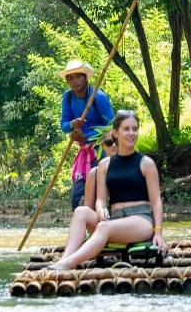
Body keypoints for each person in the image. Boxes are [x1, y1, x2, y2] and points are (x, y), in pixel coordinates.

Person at [49, 110, 163, 270]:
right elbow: (101, 200)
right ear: (115, 133)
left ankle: (68, 263)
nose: (131, 133)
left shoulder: (146, 163)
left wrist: (158, 232)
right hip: (114, 220)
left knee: (104, 227)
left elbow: (156, 201)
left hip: (141, 221)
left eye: (134, 129)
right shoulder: (104, 165)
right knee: (81, 211)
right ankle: (66, 257)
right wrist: (101, 210)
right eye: (126, 129)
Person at [60, 59, 115, 209]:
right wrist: (72, 125)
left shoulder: (99, 98)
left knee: (102, 194)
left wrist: (87, 137)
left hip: (102, 151)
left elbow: (112, 128)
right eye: (70, 78)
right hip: (84, 153)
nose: (74, 81)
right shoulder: (68, 97)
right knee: (77, 198)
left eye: (78, 76)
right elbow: (64, 125)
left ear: (85, 77)